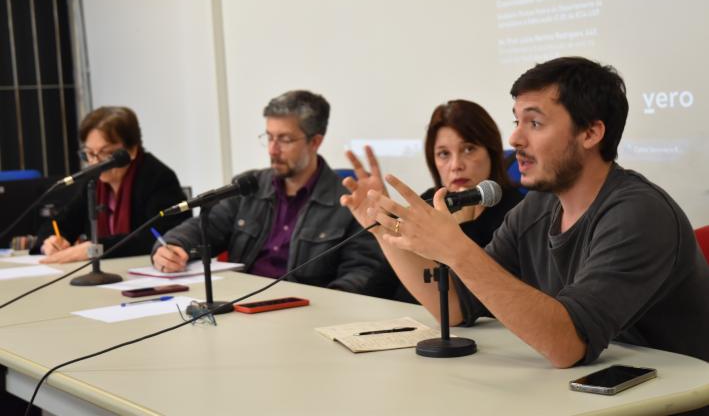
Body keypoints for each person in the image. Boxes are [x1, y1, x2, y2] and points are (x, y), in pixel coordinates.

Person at [342, 57, 709, 367]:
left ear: (591, 133)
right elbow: (456, 306)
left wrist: (455, 249)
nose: (515, 138)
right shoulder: (539, 204)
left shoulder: (638, 213)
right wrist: (381, 229)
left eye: (534, 123)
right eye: (516, 121)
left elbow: (569, 345)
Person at [152, 90, 389, 296]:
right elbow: (205, 227)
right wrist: (173, 247)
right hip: (243, 306)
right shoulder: (249, 186)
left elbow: (363, 272)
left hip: (307, 315)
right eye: (269, 137)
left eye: (284, 140)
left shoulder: (348, 200)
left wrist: (328, 307)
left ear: (315, 142)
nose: (273, 150)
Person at [345, 100, 523, 303]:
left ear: (492, 153)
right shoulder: (427, 202)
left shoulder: (517, 211)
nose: (456, 165)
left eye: (469, 149)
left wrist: (464, 227)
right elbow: (379, 289)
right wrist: (381, 227)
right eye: (444, 154)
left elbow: (468, 306)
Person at [34, 106, 191, 262]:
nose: (95, 162)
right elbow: (60, 223)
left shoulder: (157, 176)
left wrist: (95, 248)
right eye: (89, 153)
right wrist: (51, 241)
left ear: (132, 150)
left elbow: (159, 235)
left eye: (106, 153)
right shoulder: (92, 181)